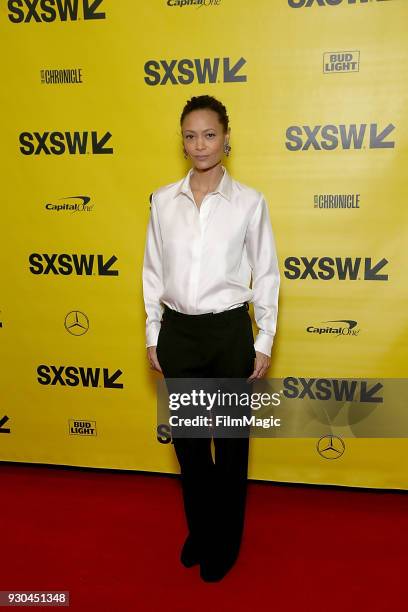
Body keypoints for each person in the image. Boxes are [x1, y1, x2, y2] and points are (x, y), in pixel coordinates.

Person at [142, 94, 280, 582]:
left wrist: (263, 339)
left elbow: (266, 273)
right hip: (180, 333)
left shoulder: (249, 202)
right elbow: (152, 272)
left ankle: (225, 540)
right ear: (181, 142)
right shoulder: (162, 200)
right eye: (190, 135)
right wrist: (153, 332)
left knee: (231, 445)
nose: (199, 144)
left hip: (226, 333)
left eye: (209, 134)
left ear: (226, 137)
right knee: (191, 447)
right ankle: (201, 530)